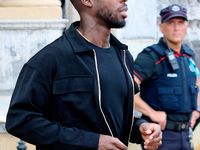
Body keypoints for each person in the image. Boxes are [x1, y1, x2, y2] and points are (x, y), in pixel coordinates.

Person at [5, 0, 162, 150]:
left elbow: (112, 116)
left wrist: (140, 128)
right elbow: (20, 121)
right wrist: (91, 142)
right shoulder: (50, 58)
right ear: (87, 0)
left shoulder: (123, 56)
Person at [133, 4, 200, 150]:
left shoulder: (189, 55)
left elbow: (196, 83)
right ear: (161, 27)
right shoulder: (150, 57)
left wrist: (197, 110)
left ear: (187, 26)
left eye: (180, 23)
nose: (176, 28)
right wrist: (152, 113)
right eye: (171, 22)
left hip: (186, 135)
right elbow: (124, 89)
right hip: (160, 137)